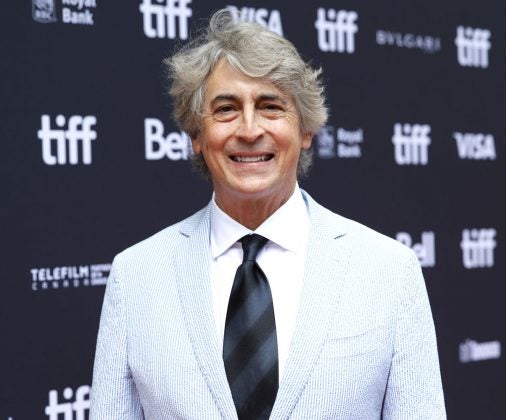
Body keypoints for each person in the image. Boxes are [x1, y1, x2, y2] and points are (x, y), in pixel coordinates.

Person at [90, 9, 446, 420]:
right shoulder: (136, 276)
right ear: (196, 136)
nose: (249, 129)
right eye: (226, 109)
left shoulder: (389, 271)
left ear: (306, 130)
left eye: (270, 107)